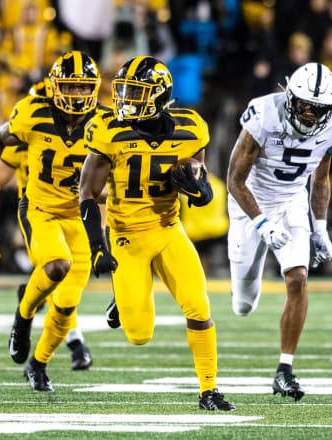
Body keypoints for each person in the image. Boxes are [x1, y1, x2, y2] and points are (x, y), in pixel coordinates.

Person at [79, 55, 236, 411]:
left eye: (136, 93)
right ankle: (122, 294)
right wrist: (96, 245)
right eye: (125, 91)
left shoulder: (190, 128)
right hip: (126, 236)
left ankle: (209, 390)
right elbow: (87, 193)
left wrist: (201, 190)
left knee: (198, 304)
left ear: (160, 96)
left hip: (168, 229)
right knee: (139, 335)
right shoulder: (110, 131)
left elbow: (199, 175)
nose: (125, 100)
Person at [226, 62, 332, 401]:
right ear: (289, 97)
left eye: (319, 109)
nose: (311, 114)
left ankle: (284, 369)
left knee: (298, 278)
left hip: (291, 202)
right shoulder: (263, 114)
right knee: (243, 304)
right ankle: (245, 290)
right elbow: (234, 180)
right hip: (249, 203)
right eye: (304, 105)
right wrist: (261, 223)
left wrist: (322, 229)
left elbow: (321, 178)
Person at [0, 50, 102, 392]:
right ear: (55, 88)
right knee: (57, 265)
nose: (76, 95)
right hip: (40, 210)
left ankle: (38, 364)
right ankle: (23, 316)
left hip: (78, 216)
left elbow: (109, 184)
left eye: (82, 88)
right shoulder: (32, 115)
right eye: (69, 88)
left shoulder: (104, 123)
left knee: (66, 305)